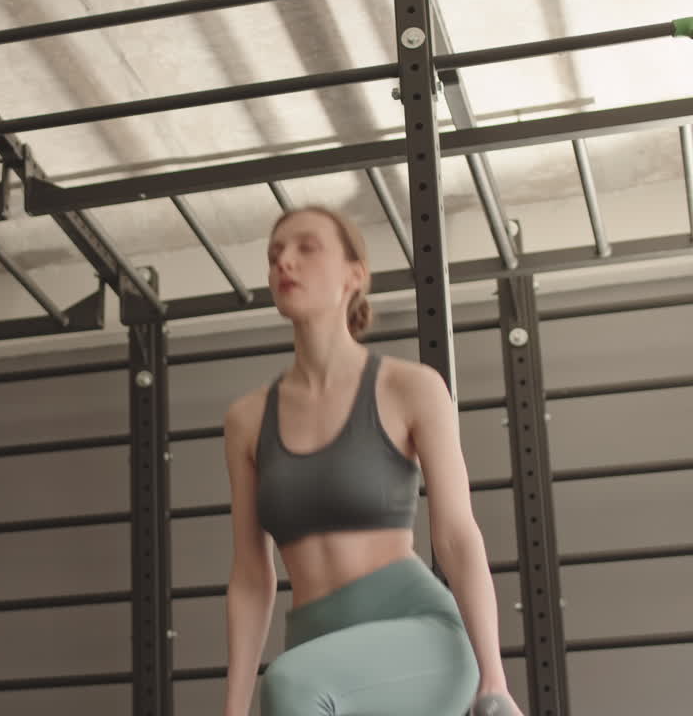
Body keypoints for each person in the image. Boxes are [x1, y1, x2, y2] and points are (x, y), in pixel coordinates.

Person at [220, 206, 523, 716]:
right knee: (291, 686)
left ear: (354, 275)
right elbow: (252, 577)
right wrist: (233, 709)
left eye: (306, 248)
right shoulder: (246, 420)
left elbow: (456, 535)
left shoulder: (410, 388)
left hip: (418, 637)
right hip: (317, 644)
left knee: (292, 685)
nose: (284, 263)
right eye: (274, 255)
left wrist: (494, 680)